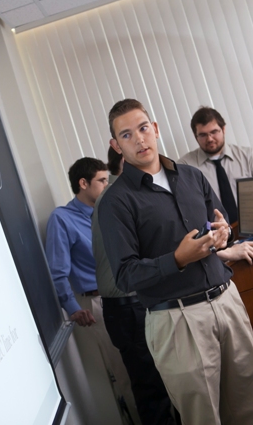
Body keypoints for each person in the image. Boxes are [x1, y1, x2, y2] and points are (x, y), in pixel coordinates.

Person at [98, 99, 253, 425]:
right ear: (116, 145)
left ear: (155, 129)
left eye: (143, 128)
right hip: (177, 320)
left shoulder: (192, 176)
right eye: (126, 135)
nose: (139, 139)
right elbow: (125, 275)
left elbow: (219, 226)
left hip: (227, 302)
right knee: (203, 418)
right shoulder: (115, 201)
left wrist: (223, 234)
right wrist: (177, 259)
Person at [45, 157, 140, 425]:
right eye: (102, 181)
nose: (107, 185)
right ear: (83, 183)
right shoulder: (62, 219)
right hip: (98, 303)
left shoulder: (110, 211)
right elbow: (58, 270)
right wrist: (72, 307)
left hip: (133, 296)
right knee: (126, 374)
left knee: (148, 369)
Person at [92, 148, 178, 425]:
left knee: (158, 388)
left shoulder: (118, 195)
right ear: (123, 160)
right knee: (154, 391)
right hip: (130, 307)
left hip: (129, 305)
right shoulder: (119, 199)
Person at [179, 106, 253, 264]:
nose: (210, 139)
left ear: (223, 129)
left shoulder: (248, 156)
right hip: (217, 244)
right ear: (195, 136)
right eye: (203, 135)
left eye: (214, 132)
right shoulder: (185, 167)